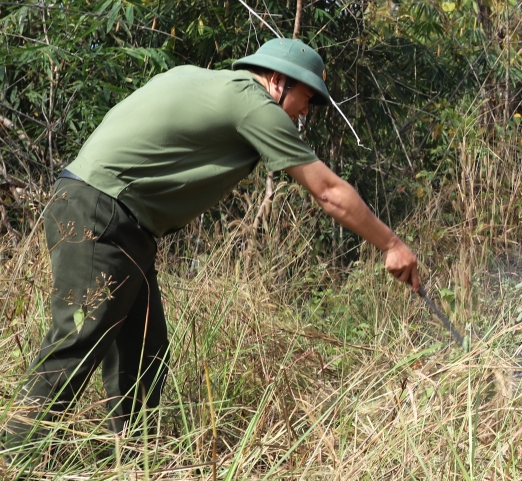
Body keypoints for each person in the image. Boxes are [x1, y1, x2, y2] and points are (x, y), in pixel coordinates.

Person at [2, 38, 419, 447]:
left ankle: (132, 465)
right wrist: (391, 244)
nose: (304, 112)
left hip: (113, 214)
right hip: (103, 211)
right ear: (277, 80)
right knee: (77, 338)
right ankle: (12, 463)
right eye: (306, 99)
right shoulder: (252, 102)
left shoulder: (200, 79)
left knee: (144, 347)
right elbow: (327, 191)